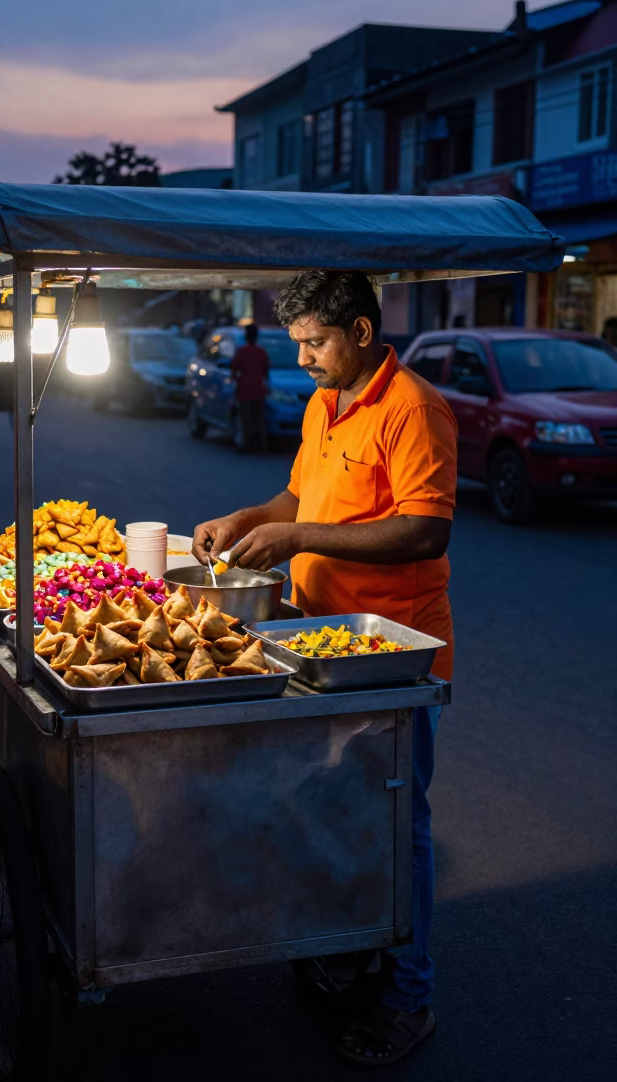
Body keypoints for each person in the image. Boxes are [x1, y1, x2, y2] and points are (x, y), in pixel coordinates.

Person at [192, 270, 457, 1067]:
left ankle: (411, 997)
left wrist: (302, 540)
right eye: (297, 341)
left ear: (363, 334)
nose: (301, 358)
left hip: (393, 655)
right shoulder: (325, 403)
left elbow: (422, 533)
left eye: (315, 342)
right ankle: (348, 945)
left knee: (395, 823)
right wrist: (248, 518)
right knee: (332, 807)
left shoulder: (414, 408)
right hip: (322, 644)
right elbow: (298, 497)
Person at [231, 322, 269, 453]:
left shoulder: (242, 352)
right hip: (259, 391)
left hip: (245, 392)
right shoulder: (261, 352)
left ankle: (247, 444)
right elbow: (266, 371)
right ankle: (261, 446)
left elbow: (234, 371)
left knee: (246, 419)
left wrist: (239, 381)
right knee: (258, 419)